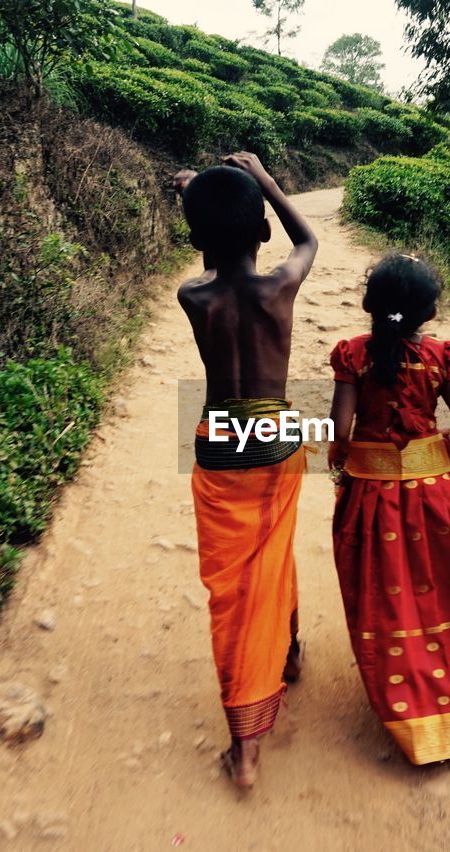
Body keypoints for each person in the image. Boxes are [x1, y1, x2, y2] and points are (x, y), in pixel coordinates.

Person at [327, 254, 450, 765]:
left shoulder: (352, 357)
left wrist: (340, 462)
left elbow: (341, 432)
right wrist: (442, 444)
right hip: (436, 495)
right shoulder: (441, 357)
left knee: (387, 594)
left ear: (370, 305)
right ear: (430, 314)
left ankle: (407, 697)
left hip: (374, 497)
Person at [177, 152, 319, 789]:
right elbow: (309, 237)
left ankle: (245, 749)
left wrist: (200, 197)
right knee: (277, 552)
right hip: (276, 443)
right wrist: (262, 181)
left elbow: (215, 259)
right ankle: (286, 653)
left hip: (220, 447)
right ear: (263, 232)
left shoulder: (192, 297)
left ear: (197, 240)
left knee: (235, 593)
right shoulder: (279, 288)